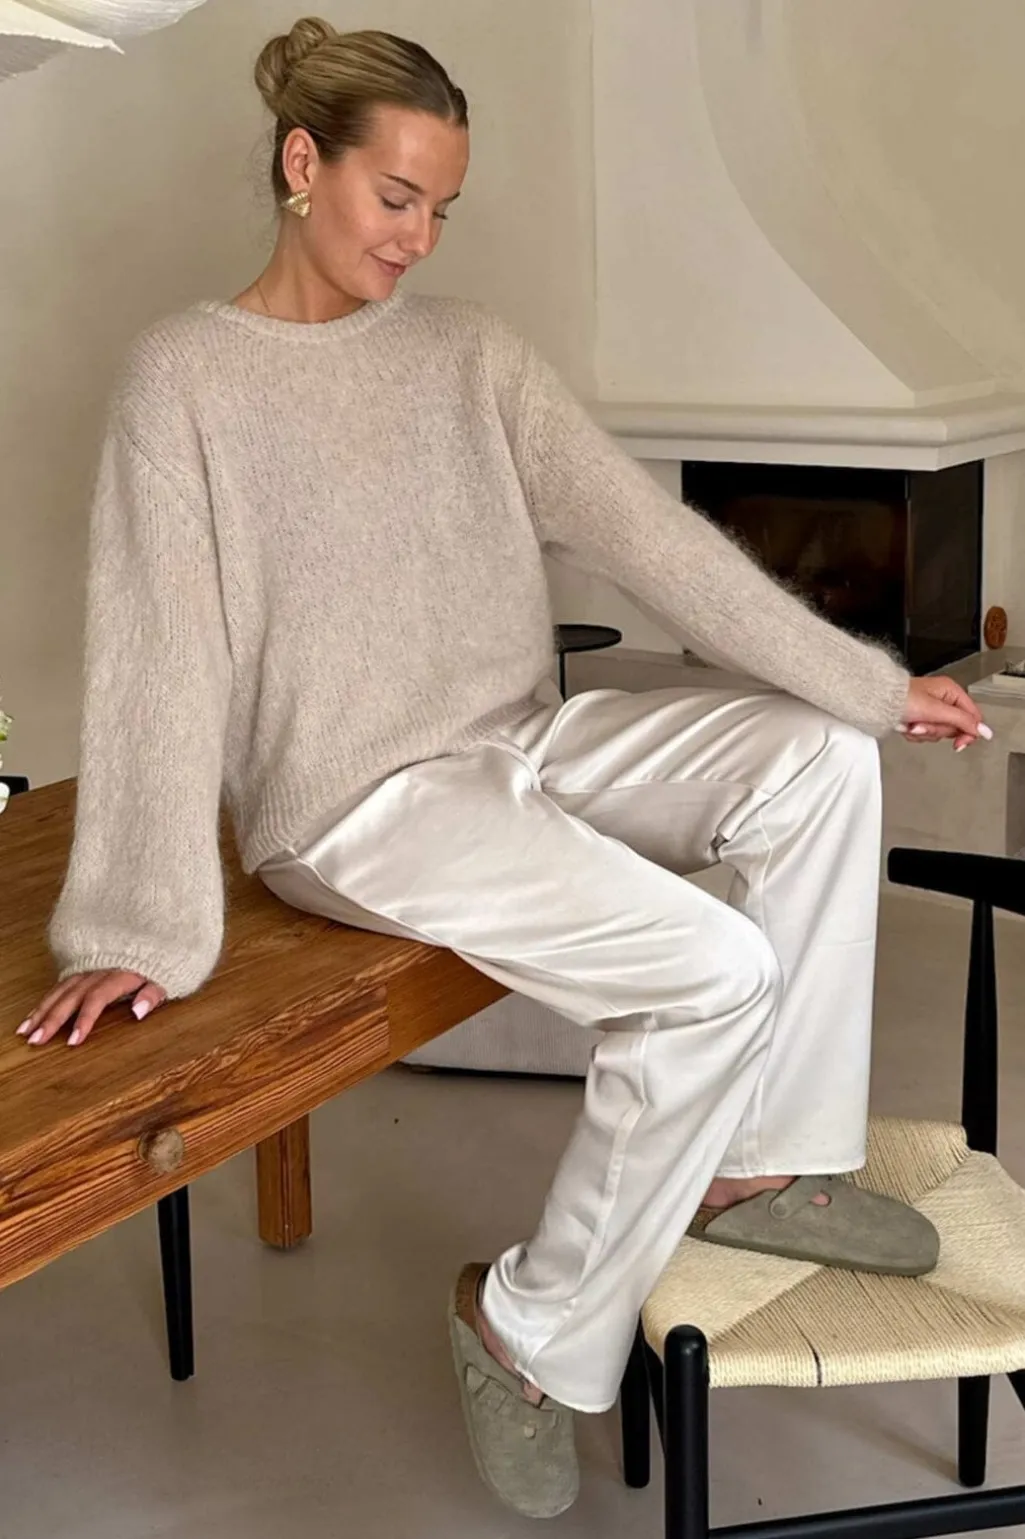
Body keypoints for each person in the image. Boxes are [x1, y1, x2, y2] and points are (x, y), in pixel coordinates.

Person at [18, 19, 990, 1520]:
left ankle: (762, 1165)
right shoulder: (186, 379)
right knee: (714, 971)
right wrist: (136, 923)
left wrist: (865, 684)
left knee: (819, 760)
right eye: (396, 196)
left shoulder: (468, 355)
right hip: (355, 801)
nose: (417, 238)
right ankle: (522, 1330)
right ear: (303, 164)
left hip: (515, 738)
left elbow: (656, 543)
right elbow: (159, 656)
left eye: (442, 208)